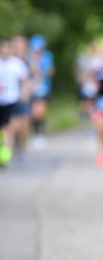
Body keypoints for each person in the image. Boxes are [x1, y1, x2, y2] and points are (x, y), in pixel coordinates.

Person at [0, 38, 29, 167]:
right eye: (2, 47)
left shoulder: (17, 64)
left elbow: (24, 81)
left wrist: (24, 92)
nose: (5, 50)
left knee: (9, 129)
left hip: (12, 100)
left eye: (7, 47)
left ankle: (4, 157)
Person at [9, 35, 33, 162]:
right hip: (10, 98)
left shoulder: (26, 62)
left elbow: (29, 79)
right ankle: (10, 148)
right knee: (12, 125)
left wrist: (26, 92)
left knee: (24, 125)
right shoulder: (8, 61)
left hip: (23, 97)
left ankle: (22, 149)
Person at [29, 34, 55, 150]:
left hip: (44, 87)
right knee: (34, 112)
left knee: (41, 111)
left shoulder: (48, 56)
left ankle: (41, 134)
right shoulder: (28, 56)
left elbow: (50, 71)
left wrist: (44, 70)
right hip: (32, 87)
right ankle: (35, 133)